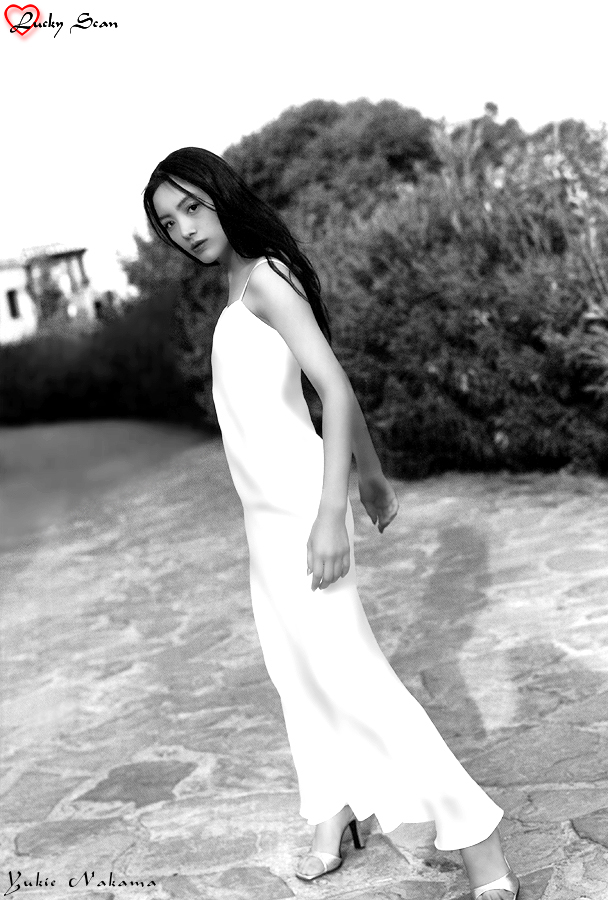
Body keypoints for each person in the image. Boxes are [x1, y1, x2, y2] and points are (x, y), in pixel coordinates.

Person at [143, 147, 520, 900]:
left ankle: (480, 844)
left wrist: (330, 513)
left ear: (222, 196)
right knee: (296, 675)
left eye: (192, 207)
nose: (183, 229)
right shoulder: (235, 285)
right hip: (262, 523)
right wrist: (372, 475)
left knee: (355, 678)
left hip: (299, 513)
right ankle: (331, 814)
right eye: (168, 222)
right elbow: (319, 398)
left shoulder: (267, 278)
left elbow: (334, 388)